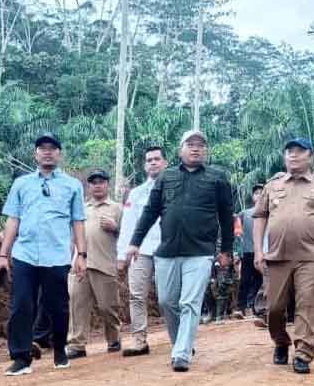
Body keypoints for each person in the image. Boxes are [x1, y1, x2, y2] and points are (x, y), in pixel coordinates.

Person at [126, 129, 235, 373]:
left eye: (200, 145)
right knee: (167, 301)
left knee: (189, 302)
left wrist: (226, 249)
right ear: (180, 150)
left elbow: (226, 217)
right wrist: (135, 242)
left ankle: (182, 354)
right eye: (190, 144)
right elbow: (149, 212)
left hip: (201, 251)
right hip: (167, 250)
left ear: (206, 151)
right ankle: (180, 343)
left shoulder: (218, 178)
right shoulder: (166, 177)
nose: (196, 148)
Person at [0, 132, 88, 376]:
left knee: (58, 307)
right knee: (21, 305)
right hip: (25, 254)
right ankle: (21, 357)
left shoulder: (72, 185)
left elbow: (78, 221)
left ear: (59, 153)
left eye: (52, 148)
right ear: (35, 153)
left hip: (56, 255)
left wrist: (82, 254)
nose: (47, 151)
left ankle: (59, 350)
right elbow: (13, 220)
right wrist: (3, 256)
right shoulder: (21, 184)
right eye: (42, 148)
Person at [253, 138, 314, 374]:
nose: (293, 155)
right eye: (289, 152)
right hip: (277, 256)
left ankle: (303, 353)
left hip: (311, 257)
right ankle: (281, 341)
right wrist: (258, 251)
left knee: (307, 304)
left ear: (310, 157)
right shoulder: (273, 185)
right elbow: (260, 217)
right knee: (274, 308)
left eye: (299, 152)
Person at [66, 169, 123, 359]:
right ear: (88, 186)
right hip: (80, 264)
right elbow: (72, 236)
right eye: (93, 182)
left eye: (101, 181)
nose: (97, 185)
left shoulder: (117, 208)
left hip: (105, 264)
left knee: (108, 307)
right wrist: (70, 259)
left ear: (107, 184)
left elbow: (128, 236)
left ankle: (113, 339)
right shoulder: (80, 208)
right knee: (77, 305)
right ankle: (76, 344)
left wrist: (116, 228)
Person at [116, 146, 167, 357]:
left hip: (168, 250)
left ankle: (180, 340)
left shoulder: (174, 189)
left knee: (169, 298)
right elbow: (128, 225)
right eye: (149, 160)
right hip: (141, 250)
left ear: (165, 163)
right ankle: (139, 340)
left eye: (157, 159)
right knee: (137, 295)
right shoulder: (136, 194)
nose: (153, 163)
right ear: (145, 165)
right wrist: (122, 255)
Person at [236, 184, 265, 318]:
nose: (259, 195)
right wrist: (238, 249)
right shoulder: (244, 213)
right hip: (247, 251)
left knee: (259, 280)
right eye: (256, 193)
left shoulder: (269, 213)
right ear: (253, 197)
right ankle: (241, 307)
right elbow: (236, 231)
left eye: (261, 192)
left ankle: (256, 307)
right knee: (245, 280)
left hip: (264, 252)